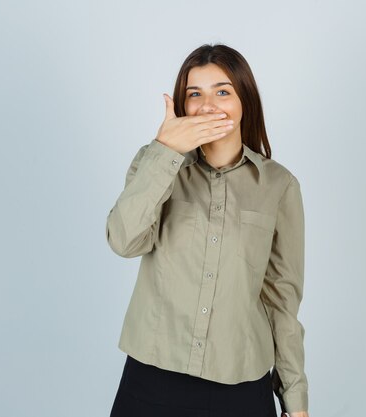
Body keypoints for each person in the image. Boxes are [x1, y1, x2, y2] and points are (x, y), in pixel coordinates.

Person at [106, 43, 309, 417]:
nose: (208, 105)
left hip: (240, 386)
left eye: (222, 92)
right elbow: (123, 240)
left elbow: (282, 299)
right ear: (182, 106)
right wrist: (165, 150)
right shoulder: (154, 165)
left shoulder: (279, 186)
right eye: (194, 94)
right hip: (152, 378)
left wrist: (295, 400)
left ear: (244, 99)